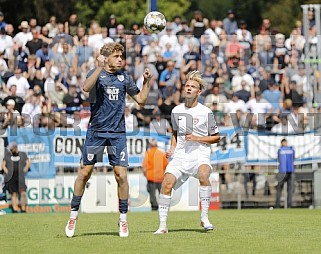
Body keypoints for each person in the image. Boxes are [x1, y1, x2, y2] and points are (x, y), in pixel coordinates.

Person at [65, 42, 152, 238]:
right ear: (106, 58)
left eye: (121, 56)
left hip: (117, 134)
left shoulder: (124, 77)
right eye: (116, 56)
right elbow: (86, 88)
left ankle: (123, 220)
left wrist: (146, 82)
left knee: (121, 175)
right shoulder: (97, 74)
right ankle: (73, 215)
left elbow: (141, 100)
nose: (120, 59)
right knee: (84, 172)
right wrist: (99, 66)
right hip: (96, 132)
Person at [154, 70, 220, 234]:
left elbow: (216, 138)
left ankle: (204, 217)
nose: (189, 89)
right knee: (166, 183)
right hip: (181, 155)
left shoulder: (206, 112)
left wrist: (197, 138)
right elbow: (175, 134)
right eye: (187, 86)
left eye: (193, 87)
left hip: (200, 154)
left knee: (204, 175)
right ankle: (162, 226)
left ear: (199, 91)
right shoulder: (176, 110)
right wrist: (172, 148)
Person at [2, 142, 31, 213]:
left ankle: (23, 209)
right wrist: (8, 172)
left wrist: (24, 170)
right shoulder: (7, 155)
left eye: (12, 149)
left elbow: (28, 163)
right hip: (11, 177)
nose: (11, 150)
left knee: (23, 193)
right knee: (13, 193)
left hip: (20, 177)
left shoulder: (22, 154)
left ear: (15, 148)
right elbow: (3, 165)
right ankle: (15, 209)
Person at [142, 138, 168, 211]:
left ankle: (154, 207)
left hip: (151, 177)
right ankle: (164, 206)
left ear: (150, 145)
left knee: (152, 194)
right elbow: (166, 166)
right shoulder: (162, 154)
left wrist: (145, 175)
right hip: (161, 177)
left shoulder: (148, 154)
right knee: (162, 193)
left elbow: (144, 167)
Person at [275, 139, 295, 208]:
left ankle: (289, 205)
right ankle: (278, 205)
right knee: (280, 189)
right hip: (282, 171)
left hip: (288, 171)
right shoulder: (290, 149)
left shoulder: (280, 150)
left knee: (289, 189)